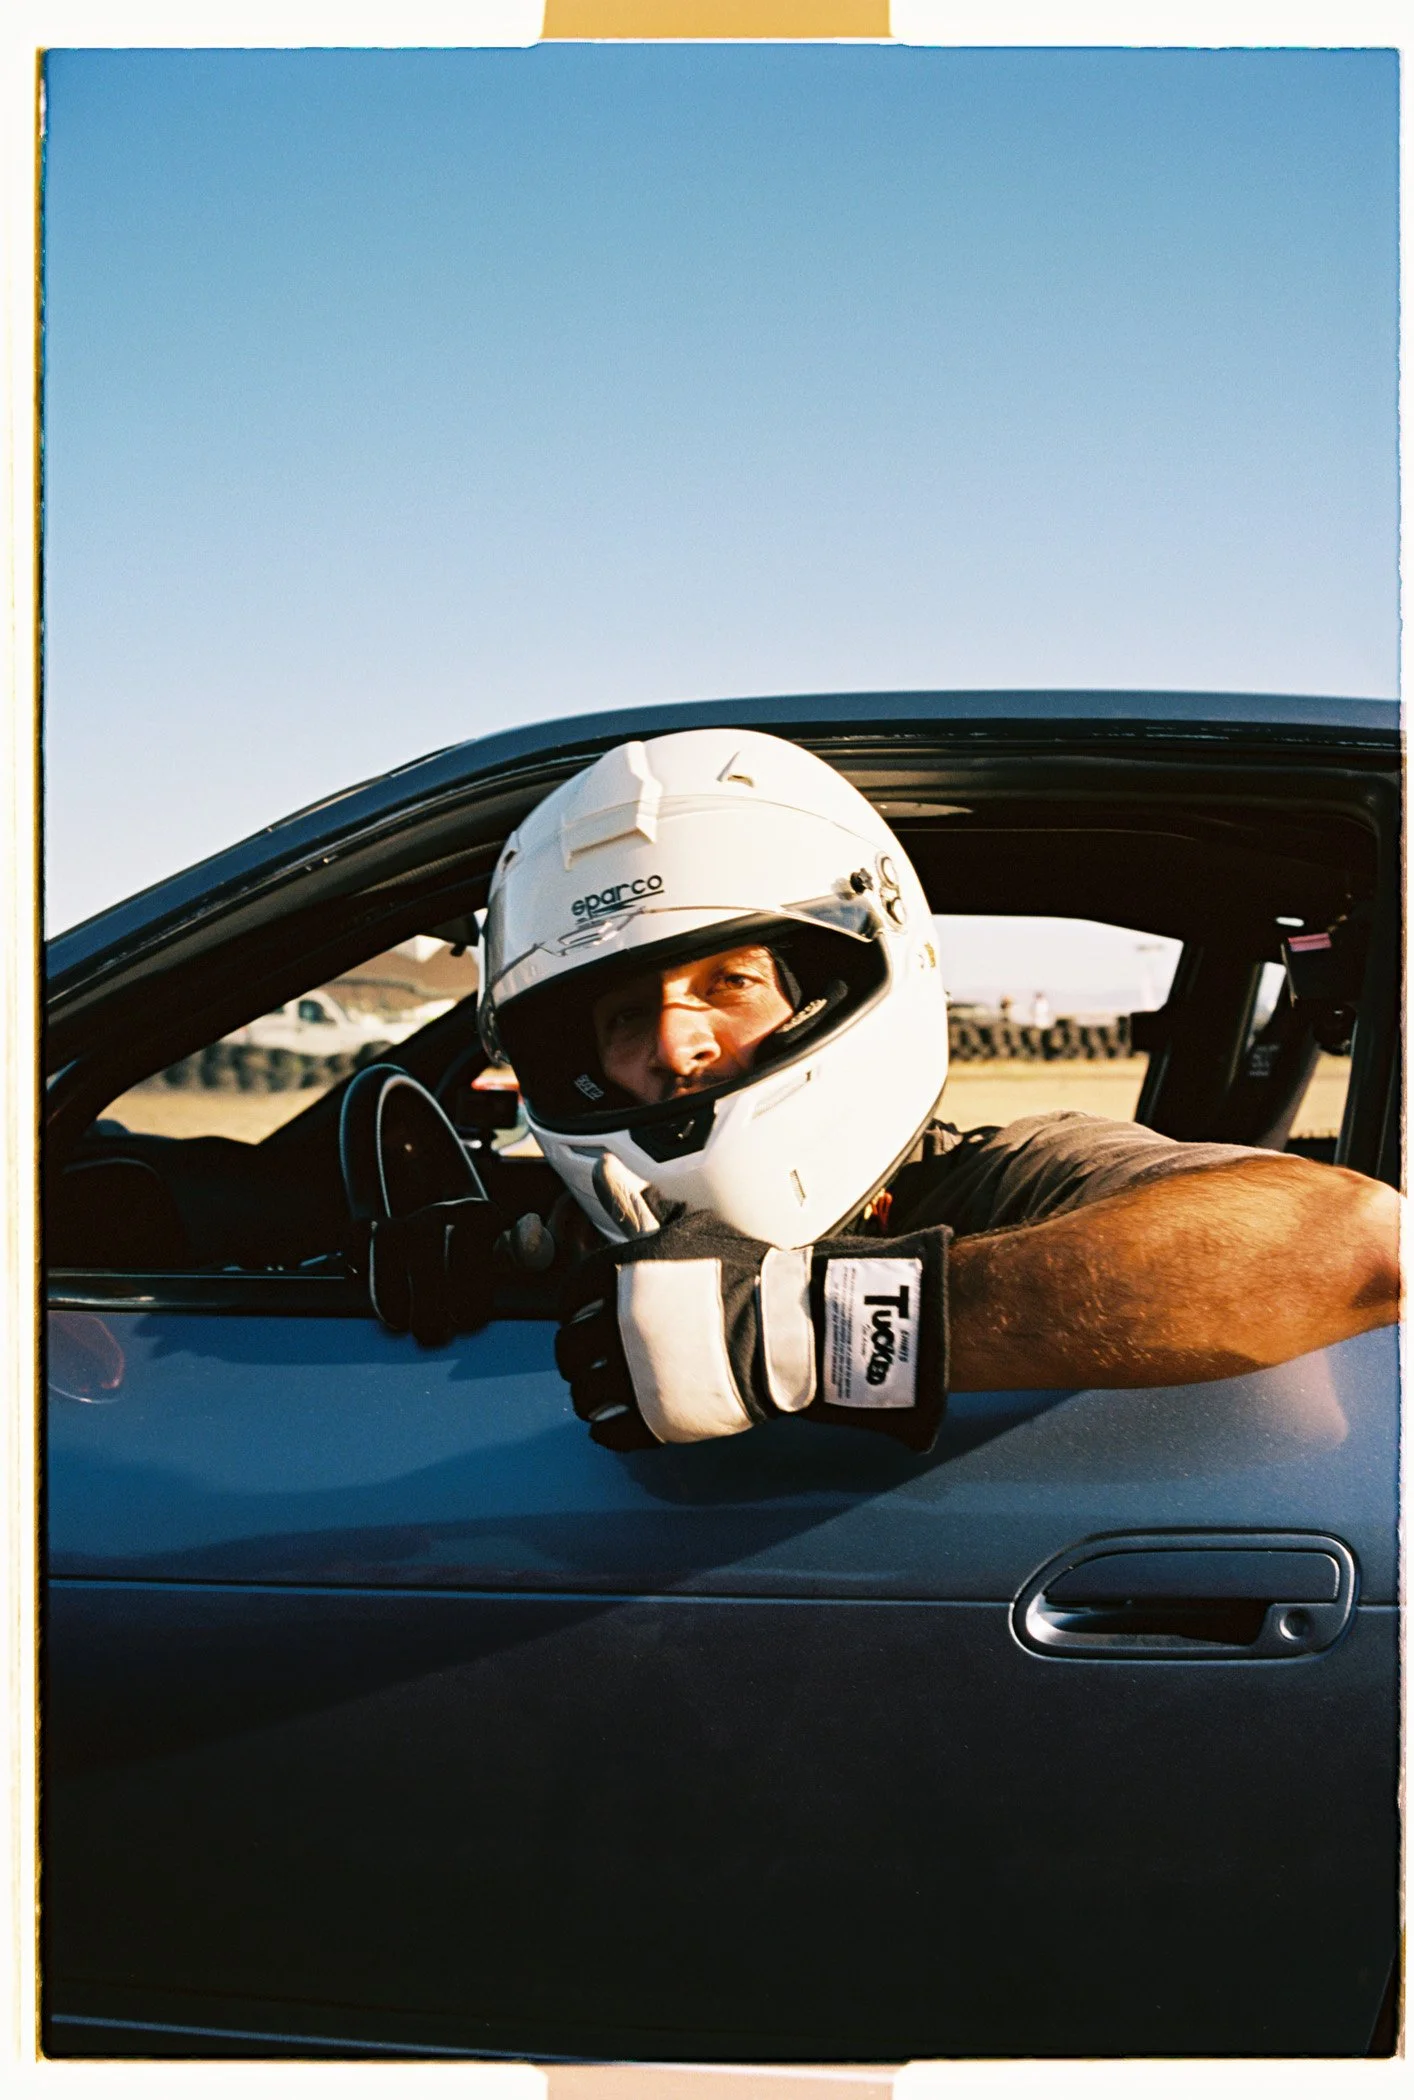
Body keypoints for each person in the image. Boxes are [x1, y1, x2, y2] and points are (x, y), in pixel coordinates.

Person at [367, 728, 1400, 1453]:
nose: (675, 1046)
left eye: (728, 984)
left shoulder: (1011, 1179)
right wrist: (472, 1261)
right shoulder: (591, 1233)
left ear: (837, 989)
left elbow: (1356, 1245)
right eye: (625, 1017)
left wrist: (814, 1329)